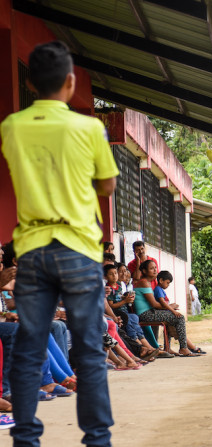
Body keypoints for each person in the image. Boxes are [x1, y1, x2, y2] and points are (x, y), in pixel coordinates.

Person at [1, 40, 117, 446]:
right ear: (71, 82)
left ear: (30, 83)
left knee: (30, 346)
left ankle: (26, 438)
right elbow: (107, 183)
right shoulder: (89, 129)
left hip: (32, 249)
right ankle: (97, 439)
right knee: (87, 348)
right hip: (79, 247)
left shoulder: (11, 126)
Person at [134, 260, 198, 356]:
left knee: (170, 318)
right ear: (144, 271)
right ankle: (183, 348)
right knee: (179, 317)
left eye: (155, 267)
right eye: (151, 268)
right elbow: (154, 304)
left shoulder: (147, 282)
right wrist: (170, 307)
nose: (155, 270)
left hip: (149, 312)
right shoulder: (144, 283)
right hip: (145, 314)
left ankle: (168, 348)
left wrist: (168, 307)